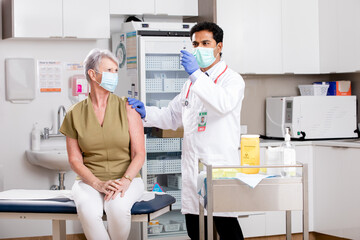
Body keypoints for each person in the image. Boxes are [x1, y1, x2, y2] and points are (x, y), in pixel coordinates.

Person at [128, 22, 245, 239]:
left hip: (218, 167)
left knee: (227, 229)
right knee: (195, 229)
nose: (199, 48)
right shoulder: (190, 84)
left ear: (219, 46)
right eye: (195, 43)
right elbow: (171, 116)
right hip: (193, 168)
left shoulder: (232, 80)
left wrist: (195, 74)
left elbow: (222, 104)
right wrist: (145, 113)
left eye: (205, 43)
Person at [60, 49, 145, 240]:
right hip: (88, 181)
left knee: (118, 208)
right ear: (92, 74)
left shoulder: (128, 108)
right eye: (109, 70)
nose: (114, 76)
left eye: (116, 71)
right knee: (87, 210)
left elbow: (139, 154)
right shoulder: (74, 114)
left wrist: (125, 181)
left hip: (127, 179)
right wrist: (97, 183)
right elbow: (75, 160)